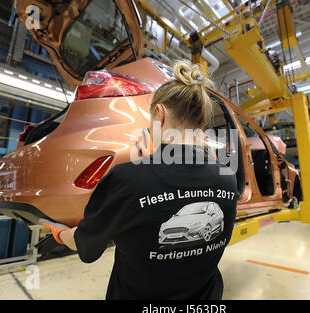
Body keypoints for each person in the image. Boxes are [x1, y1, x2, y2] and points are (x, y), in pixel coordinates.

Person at [40, 60, 240, 300]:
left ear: (160, 114)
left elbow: (88, 248)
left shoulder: (126, 179)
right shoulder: (228, 179)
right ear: (201, 121)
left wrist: (59, 232)